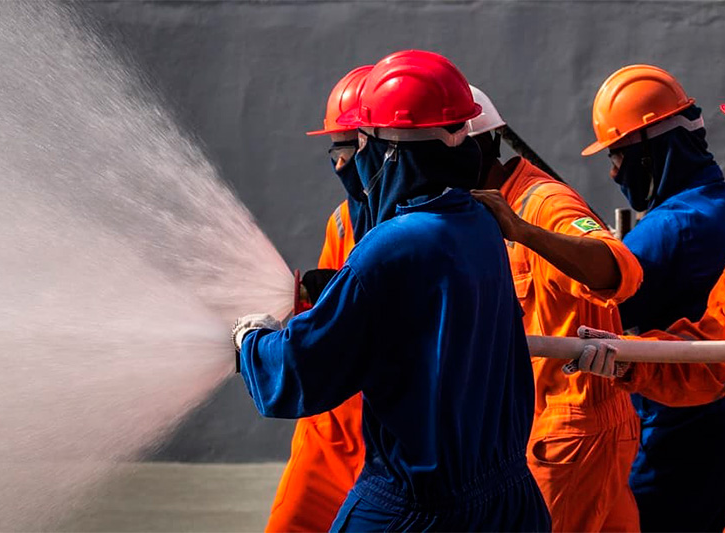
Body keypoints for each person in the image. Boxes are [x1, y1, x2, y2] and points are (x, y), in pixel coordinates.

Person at [233, 50, 550, 531]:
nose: (352, 163)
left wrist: (250, 341)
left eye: (360, 147)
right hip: (508, 502)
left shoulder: (392, 245)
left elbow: (302, 370)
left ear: (389, 151)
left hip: (418, 506)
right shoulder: (479, 221)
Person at [576, 70, 725, 533]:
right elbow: (712, 352)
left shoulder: (676, 226)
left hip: (686, 439)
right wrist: (626, 361)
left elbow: (592, 299)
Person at [471, 88, 644, 530]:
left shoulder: (542, 203)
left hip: (569, 434)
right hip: (561, 432)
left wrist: (523, 231)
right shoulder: (491, 211)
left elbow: (619, 268)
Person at [264, 65, 371, 532]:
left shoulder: (434, 225)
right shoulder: (343, 222)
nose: (338, 163)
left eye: (345, 148)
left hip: (401, 446)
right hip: (331, 435)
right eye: (334, 149)